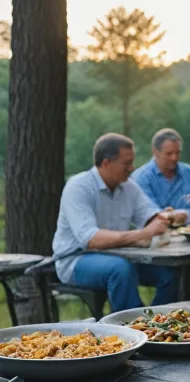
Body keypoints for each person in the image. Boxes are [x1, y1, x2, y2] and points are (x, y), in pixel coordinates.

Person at [52, 133, 178, 312]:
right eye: (127, 164)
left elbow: (149, 215)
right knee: (120, 270)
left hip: (120, 255)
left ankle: (160, 320)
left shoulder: (128, 186)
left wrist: (163, 217)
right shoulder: (78, 187)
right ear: (106, 163)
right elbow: (91, 239)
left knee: (169, 271)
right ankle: (133, 326)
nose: (132, 168)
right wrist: (143, 234)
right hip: (75, 259)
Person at [132, 128, 190, 224]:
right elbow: (147, 214)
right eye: (169, 154)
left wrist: (186, 216)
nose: (174, 158)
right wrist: (169, 217)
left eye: (178, 153)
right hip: (155, 236)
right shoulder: (141, 178)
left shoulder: (189, 172)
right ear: (155, 152)